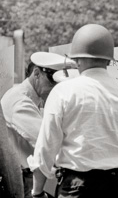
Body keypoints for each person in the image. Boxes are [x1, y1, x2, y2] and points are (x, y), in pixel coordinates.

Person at [27, 24, 118, 198]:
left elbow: (45, 150)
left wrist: (37, 192)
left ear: (77, 59)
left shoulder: (63, 91)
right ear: (109, 60)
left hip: (77, 186)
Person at [1, 51, 75, 198]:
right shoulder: (19, 101)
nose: (56, 87)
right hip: (25, 180)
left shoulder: (36, 98)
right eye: (53, 80)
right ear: (36, 73)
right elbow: (47, 140)